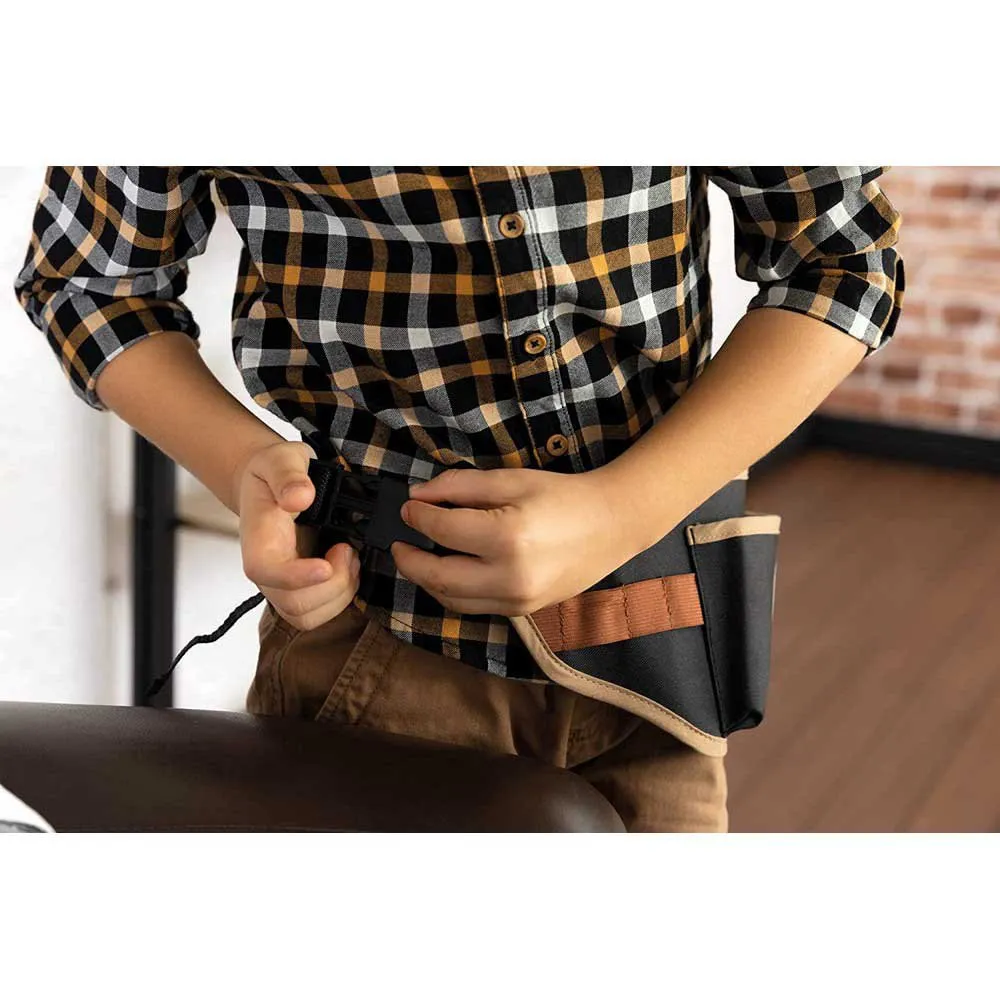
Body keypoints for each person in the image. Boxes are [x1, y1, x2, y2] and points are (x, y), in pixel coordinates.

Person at [14, 167, 903, 832]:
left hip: (662, 650)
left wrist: (620, 513)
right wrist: (245, 464)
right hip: (383, 648)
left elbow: (841, 258)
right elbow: (88, 281)